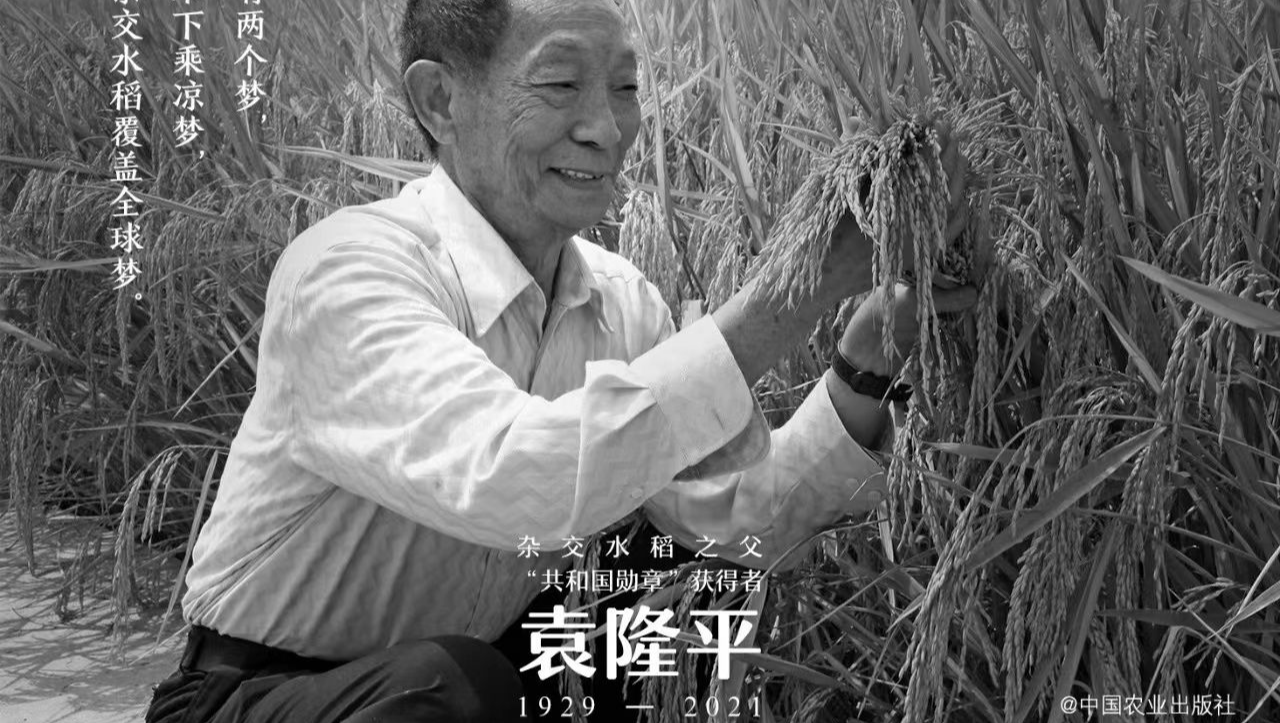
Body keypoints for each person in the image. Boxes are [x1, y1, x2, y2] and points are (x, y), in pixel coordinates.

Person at [144, 0, 975, 721]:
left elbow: (734, 519)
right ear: (439, 100)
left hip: (469, 674)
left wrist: (874, 349)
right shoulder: (347, 273)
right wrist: (794, 289)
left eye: (625, 88)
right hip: (263, 695)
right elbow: (517, 478)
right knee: (455, 684)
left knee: (658, 594)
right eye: (560, 83)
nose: (605, 129)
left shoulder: (621, 303)